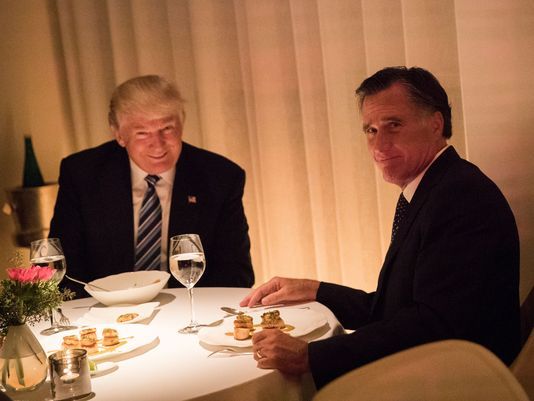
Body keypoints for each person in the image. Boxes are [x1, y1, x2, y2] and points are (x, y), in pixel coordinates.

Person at [240, 66, 520, 389]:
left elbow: (432, 324)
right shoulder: (435, 186)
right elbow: (396, 310)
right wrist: (314, 289)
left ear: (436, 123)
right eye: (371, 130)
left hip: (462, 384)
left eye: (393, 125)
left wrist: (310, 356)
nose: (379, 145)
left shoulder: (460, 196)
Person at [50, 75, 254, 297]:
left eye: (167, 128)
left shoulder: (220, 177)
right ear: (119, 134)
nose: (157, 144)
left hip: (189, 307)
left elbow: (236, 273)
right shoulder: (82, 174)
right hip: (104, 309)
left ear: (182, 123)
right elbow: (64, 270)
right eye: (142, 133)